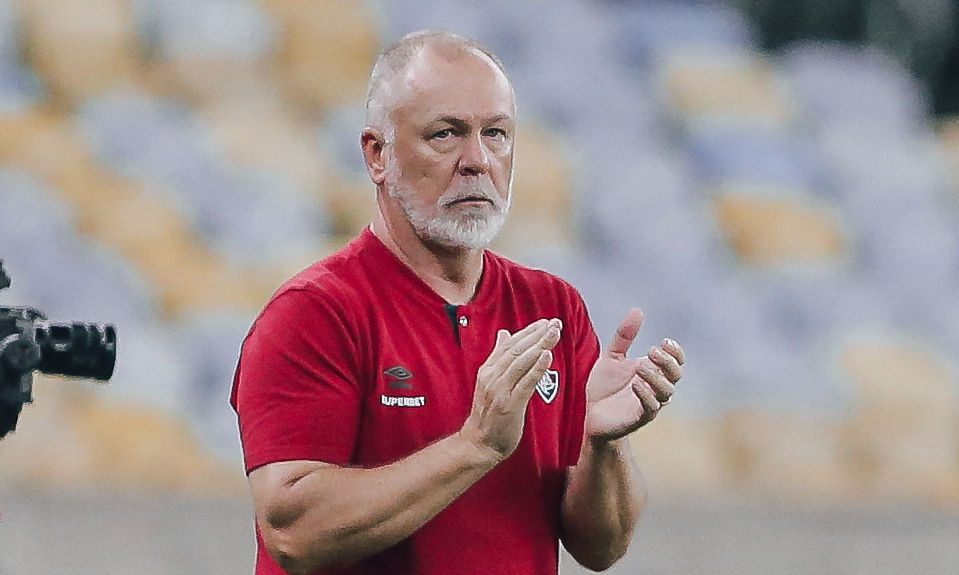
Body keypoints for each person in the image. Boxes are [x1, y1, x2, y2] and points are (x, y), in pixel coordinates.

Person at [231, 30, 684, 575]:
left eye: (496, 134)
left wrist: (602, 445)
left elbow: (601, 548)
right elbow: (293, 531)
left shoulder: (552, 307)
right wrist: (474, 446)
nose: (477, 160)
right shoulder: (314, 313)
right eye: (446, 134)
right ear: (378, 154)